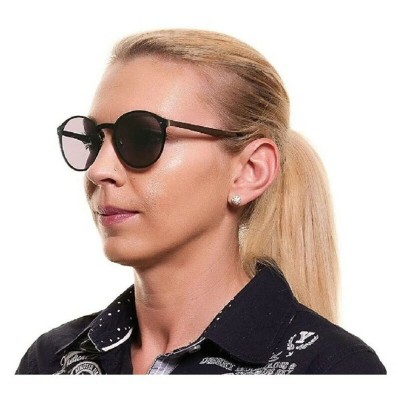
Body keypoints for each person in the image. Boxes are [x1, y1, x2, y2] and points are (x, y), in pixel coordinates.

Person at [16, 29, 386, 375]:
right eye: (93, 139)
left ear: (250, 171)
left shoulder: (335, 370)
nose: (98, 170)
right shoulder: (50, 362)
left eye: (142, 137)